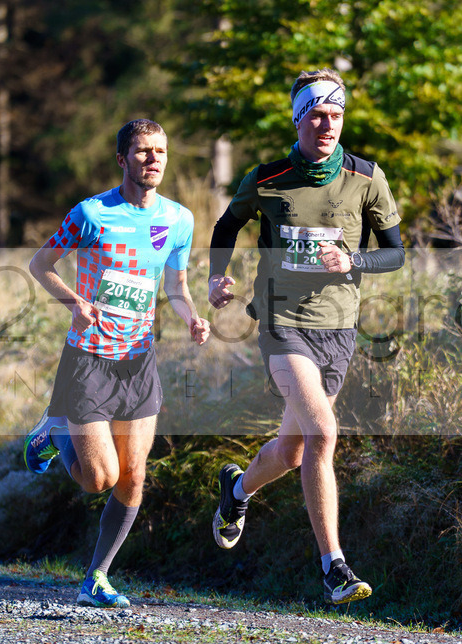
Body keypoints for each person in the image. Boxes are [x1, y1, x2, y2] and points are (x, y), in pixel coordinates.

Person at [207, 68, 405, 605]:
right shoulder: (267, 179)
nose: (328, 125)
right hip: (280, 324)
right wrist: (214, 276)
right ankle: (334, 567)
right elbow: (228, 226)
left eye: (336, 115)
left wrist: (353, 259)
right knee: (323, 433)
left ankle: (237, 490)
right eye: (317, 114)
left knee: (294, 451)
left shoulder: (366, 177)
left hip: (338, 328)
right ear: (298, 119)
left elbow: (396, 253)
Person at [23, 118, 210, 608]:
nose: (154, 160)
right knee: (98, 480)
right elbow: (40, 264)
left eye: (161, 152)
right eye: (143, 151)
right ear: (122, 159)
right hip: (88, 360)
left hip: (138, 360)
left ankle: (97, 579)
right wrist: (74, 304)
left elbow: (176, 286)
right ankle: (52, 430)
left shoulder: (179, 220)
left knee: (134, 476)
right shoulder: (91, 214)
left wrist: (193, 318)